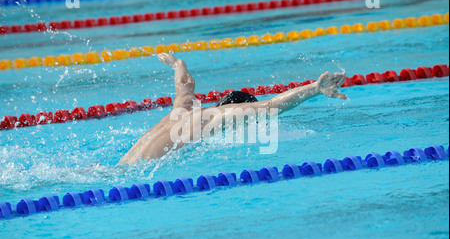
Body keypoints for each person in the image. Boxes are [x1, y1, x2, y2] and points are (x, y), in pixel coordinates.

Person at [118, 53, 347, 164]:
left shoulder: (185, 110)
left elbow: (184, 86)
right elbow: (272, 105)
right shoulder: (217, 118)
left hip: (120, 164)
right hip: (134, 176)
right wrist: (315, 89)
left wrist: (178, 64)